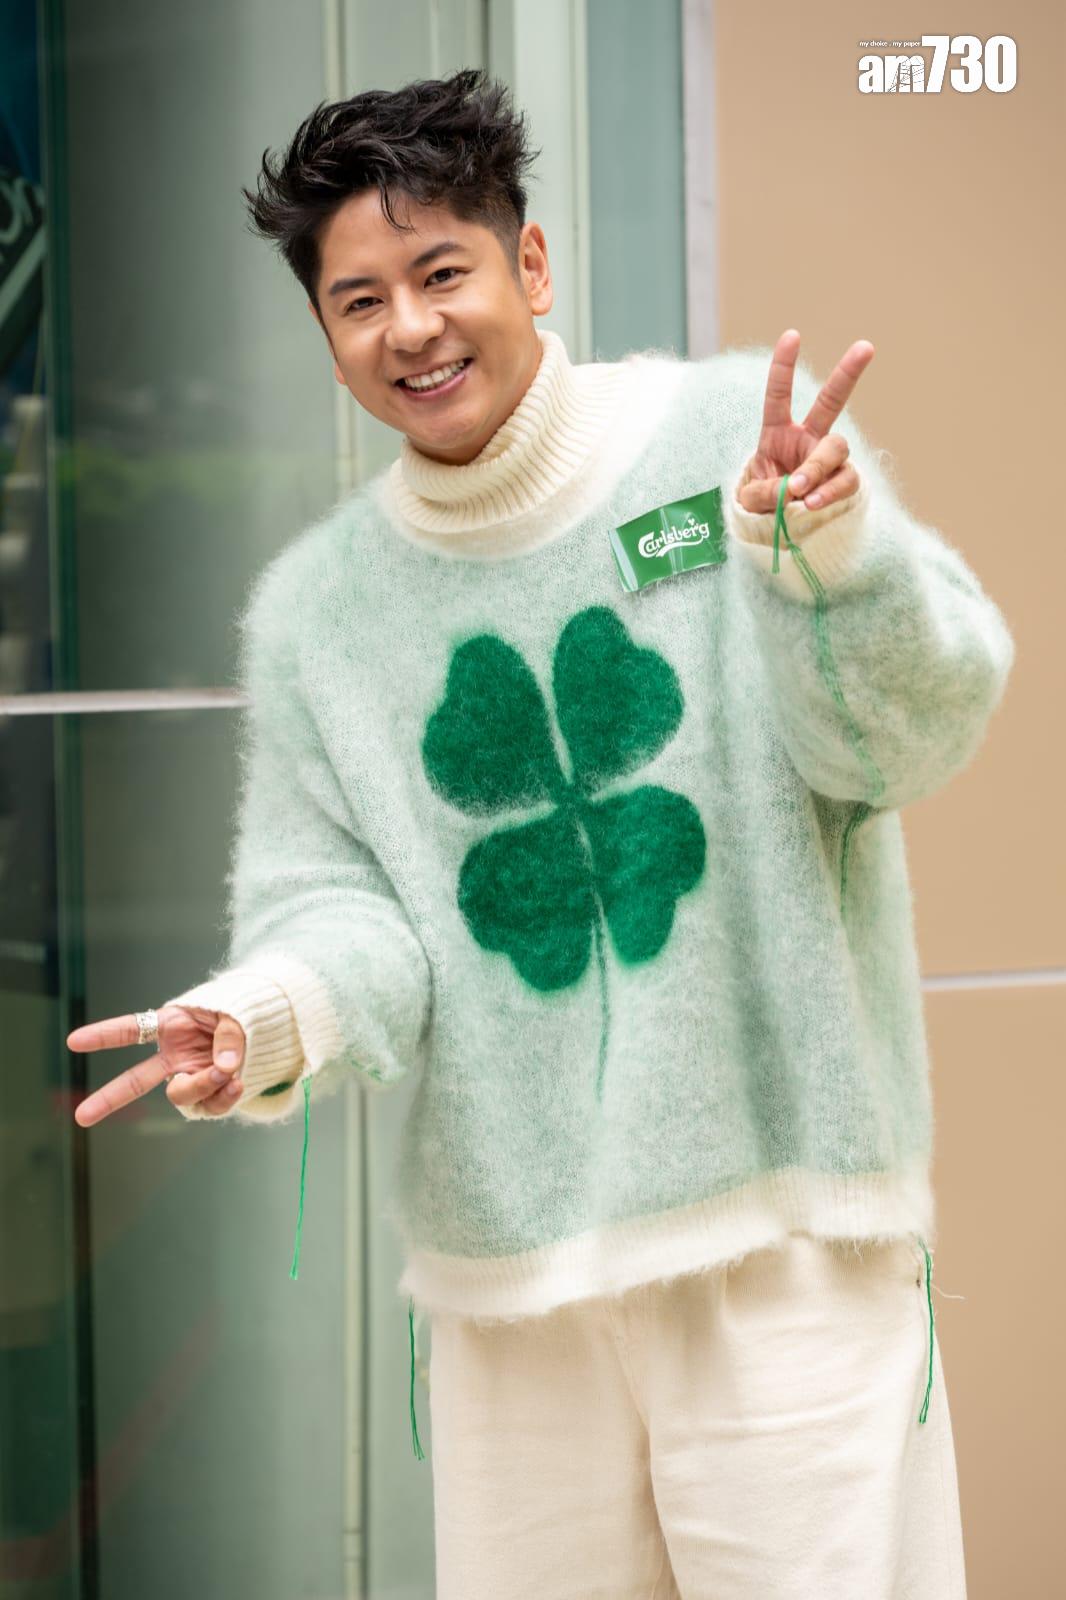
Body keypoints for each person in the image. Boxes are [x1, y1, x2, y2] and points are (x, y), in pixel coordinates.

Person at [67, 68, 1013, 1598]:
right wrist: (271, 1009)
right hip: (515, 1290)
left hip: (784, 1239)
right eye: (359, 300)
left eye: (442, 272)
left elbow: (909, 732)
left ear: (532, 264)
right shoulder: (318, 614)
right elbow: (349, 908)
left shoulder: (732, 451)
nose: (410, 328)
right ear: (323, 331)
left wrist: (826, 555)